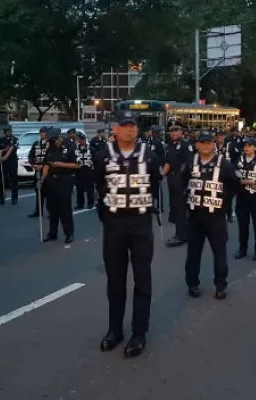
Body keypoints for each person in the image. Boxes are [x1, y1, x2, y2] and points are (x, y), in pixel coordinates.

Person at [94, 110, 162, 358]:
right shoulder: (103, 156)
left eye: (133, 125)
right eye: (124, 125)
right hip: (114, 224)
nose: (129, 129)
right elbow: (99, 186)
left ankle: (139, 332)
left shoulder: (150, 157)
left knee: (142, 279)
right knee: (115, 279)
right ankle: (115, 329)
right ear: (115, 129)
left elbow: (154, 185)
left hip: (140, 223)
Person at [184, 131, 237, 299]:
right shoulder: (190, 162)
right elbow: (181, 182)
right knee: (193, 252)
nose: (206, 146)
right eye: (202, 143)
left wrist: (223, 201)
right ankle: (192, 283)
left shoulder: (225, 164)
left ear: (213, 144)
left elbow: (233, 185)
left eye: (209, 142)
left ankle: (221, 285)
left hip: (215, 216)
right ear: (197, 144)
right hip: (195, 215)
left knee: (219, 252)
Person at [233, 138, 256, 261]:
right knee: (243, 226)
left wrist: (253, 181)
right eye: (245, 146)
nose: (246, 148)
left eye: (249, 146)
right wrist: (239, 180)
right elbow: (234, 175)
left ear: (255, 148)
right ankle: (242, 248)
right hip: (242, 197)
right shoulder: (239, 160)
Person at [41, 129, 80, 243]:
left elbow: (77, 165)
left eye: (55, 140)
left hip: (65, 181)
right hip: (51, 181)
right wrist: (42, 179)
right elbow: (46, 165)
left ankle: (69, 233)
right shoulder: (50, 148)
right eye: (52, 141)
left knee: (65, 208)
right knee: (52, 208)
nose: (54, 142)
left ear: (60, 138)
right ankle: (52, 233)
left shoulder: (70, 148)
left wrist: (61, 164)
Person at [163, 125, 193, 248]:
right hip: (172, 180)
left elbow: (189, 163)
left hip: (182, 181)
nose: (174, 133)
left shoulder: (185, 144)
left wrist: (183, 178)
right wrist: (161, 175)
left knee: (181, 209)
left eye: (176, 131)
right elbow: (168, 162)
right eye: (172, 131)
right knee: (175, 207)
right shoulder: (170, 145)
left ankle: (181, 236)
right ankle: (181, 232)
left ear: (182, 132)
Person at [27, 127, 51, 218]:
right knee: (38, 191)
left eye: (44, 132)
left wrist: (44, 165)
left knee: (48, 192)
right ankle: (38, 211)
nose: (42, 134)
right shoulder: (36, 144)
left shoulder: (51, 144)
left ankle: (50, 211)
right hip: (37, 170)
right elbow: (31, 156)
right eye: (41, 132)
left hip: (48, 170)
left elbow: (51, 157)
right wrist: (33, 165)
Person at [0, 126, 19, 205]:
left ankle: (14, 198)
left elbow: (12, 148)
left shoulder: (14, 139)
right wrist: (2, 153)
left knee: (14, 179)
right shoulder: (1, 140)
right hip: (3, 162)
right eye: (7, 131)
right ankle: (2, 199)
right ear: (4, 132)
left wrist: (5, 155)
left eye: (10, 131)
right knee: (2, 180)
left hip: (12, 161)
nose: (9, 132)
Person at [74, 132, 95, 209]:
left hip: (89, 170)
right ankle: (80, 203)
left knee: (90, 187)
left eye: (83, 139)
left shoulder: (91, 148)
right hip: (79, 170)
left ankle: (90, 203)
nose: (82, 141)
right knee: (79, 188)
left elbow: (95, 159)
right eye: (80, 139)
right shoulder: (76, 149)